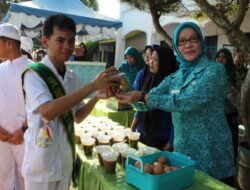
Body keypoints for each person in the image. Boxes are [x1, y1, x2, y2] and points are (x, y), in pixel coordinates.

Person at [116, 22, 235, 184]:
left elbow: (186, 102)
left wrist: (143, 97)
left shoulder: (214, 70)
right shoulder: (175, 77)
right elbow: (147, 102)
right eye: (182, 41)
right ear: (177, 47)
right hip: (183, 154)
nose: (188, 45)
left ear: (201, 41)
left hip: (212, 154)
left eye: (193, 39)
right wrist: (125, 90)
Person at [22, 14, 119, 190]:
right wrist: (91, 86)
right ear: (45, 41)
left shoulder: (73, 77)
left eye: (71, 40)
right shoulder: (34, 74)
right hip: (41, 164)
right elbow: (48, 111)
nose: (67, 46)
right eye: (60, 40)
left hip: (64, 160)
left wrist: (96, 96)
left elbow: (78, 117)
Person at [131, 46, 177, 150]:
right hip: (145, 133)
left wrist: (171, 141)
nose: (151, 62)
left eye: (155, 60)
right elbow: (142, 106)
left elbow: (176, 116)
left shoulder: (172, 84)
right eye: (151, 58)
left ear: (165, 62)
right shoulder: (148, 80)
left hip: (162, 138)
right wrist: (133, 127)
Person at [0, 23, 29, 190]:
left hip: (25, 138)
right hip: (2, 137)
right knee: (4, 178)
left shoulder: (32, 69)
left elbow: (40, 108)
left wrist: (24, 130)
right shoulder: (0, 69)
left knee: (26, 179)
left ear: (9, 43)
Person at [215, 48, 239, 163]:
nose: (220, 60)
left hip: (230, 116)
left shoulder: (234, 74)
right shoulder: (211, 74)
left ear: (228, 59)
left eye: (223, 57)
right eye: (218, 57)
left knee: (230, 144)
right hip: (215, 116)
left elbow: (240, 98)